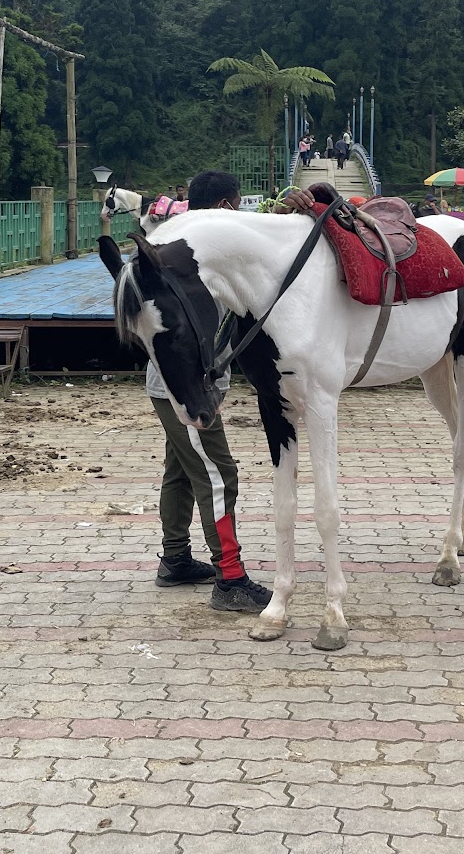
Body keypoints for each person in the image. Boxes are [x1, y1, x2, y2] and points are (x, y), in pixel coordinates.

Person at [147, 170, 272, 613]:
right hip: (188, 390)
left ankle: (176, 559)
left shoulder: (181, 247)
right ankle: (230, 578)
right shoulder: (202, 260)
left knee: (182, 470)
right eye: (237, 206)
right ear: (224, 207)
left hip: (172, 385)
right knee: (219, 475)